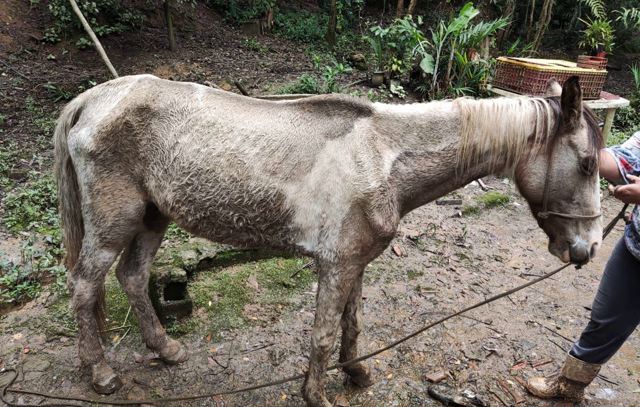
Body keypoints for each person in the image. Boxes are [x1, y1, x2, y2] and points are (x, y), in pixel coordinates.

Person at [526, 130, 640, 402]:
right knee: (605, 318)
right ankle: (569, 386)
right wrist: (579, 149)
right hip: (636, 246)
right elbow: (626, 159)